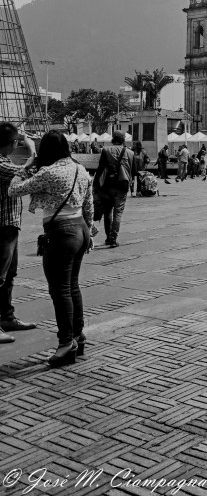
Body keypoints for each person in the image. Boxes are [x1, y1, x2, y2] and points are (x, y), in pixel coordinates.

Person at [9, 130, 94, 367]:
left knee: (60, 291)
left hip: (61, 232)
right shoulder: (80, 169)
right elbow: (89, 204)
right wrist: (90, 231)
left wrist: (26, 164)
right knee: (72, 287)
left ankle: (66, 343)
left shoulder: (49, 172)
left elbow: (14, 189)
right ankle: (78, 335)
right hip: (80, 229)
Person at [0, 123, 37, 343]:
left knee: (9, 275)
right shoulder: (1, 165)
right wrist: (32, 148)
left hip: (10, 225)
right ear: (12, 143)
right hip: (2, 226)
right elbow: (26, 173)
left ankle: (7, 317)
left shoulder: (4, 160)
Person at [93, 131, 133, 248]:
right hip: (122, 186)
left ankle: (108, 237)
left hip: (107, 186)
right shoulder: (130, 153)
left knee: (107, 212)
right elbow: (134, 171)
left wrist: (95, 184)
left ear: (113, 139)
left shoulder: (106, 150)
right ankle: (113, 238)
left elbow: (100, 169)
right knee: (118, 213)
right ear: (123, 139)